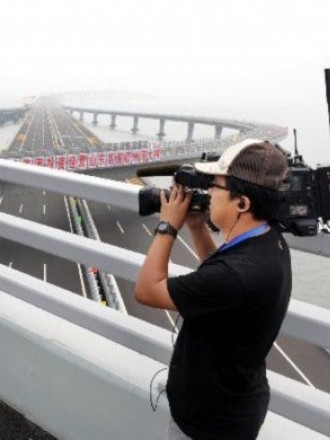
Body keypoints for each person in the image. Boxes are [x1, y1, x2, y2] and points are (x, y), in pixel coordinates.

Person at [135, 139, 291, 439]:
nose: (207, 194)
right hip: (236, 401)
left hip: (209, 422)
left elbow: (147, 290)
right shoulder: (269, 240)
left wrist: (168, 226)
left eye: (215, 187)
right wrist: (196, 226)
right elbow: (219, 277)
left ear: (242, 203)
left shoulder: (237, 275)